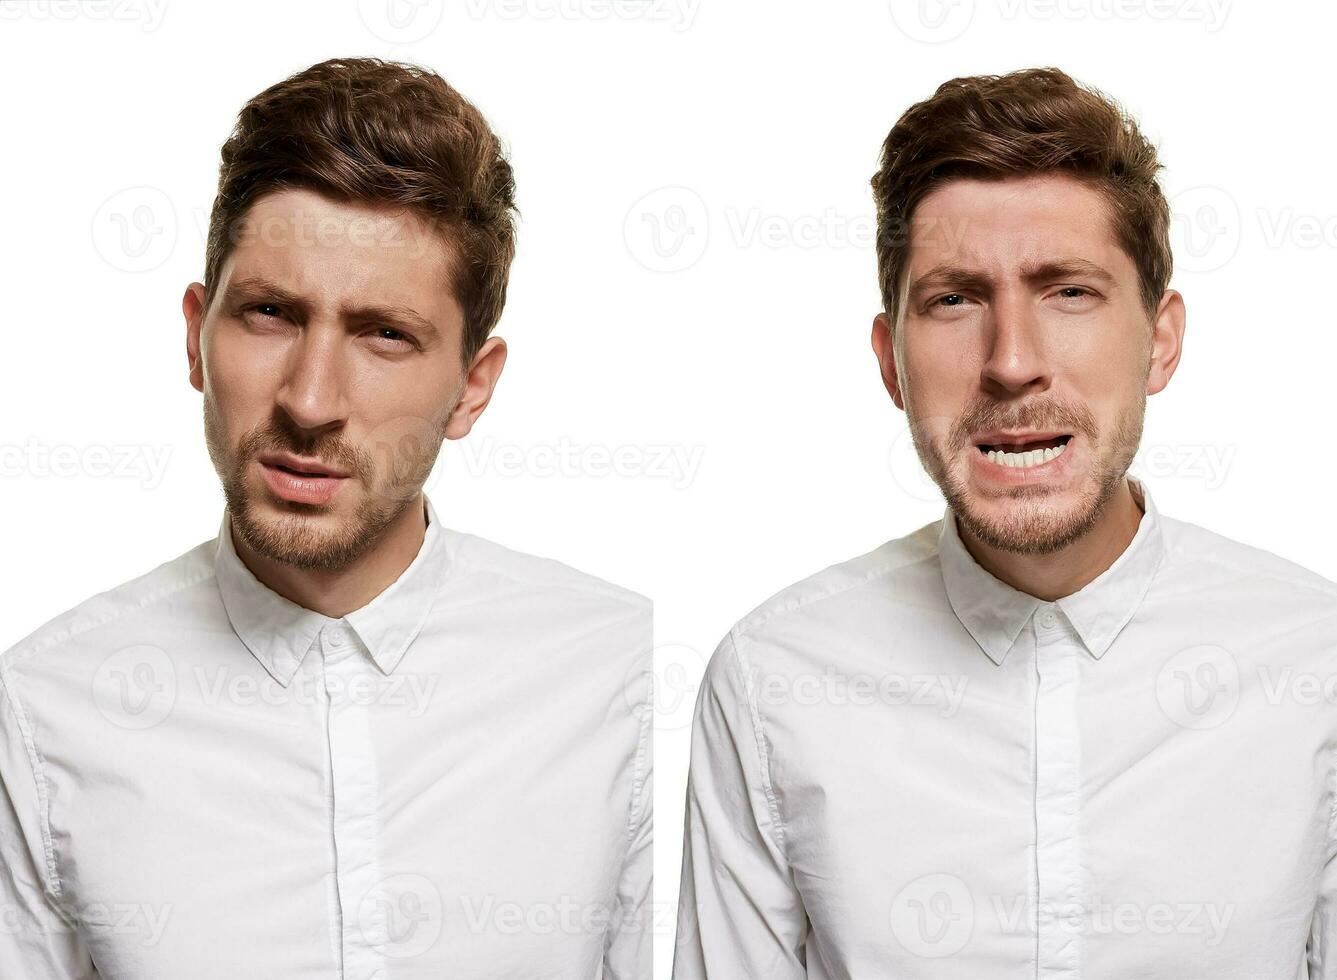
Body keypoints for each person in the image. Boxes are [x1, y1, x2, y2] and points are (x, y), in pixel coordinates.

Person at [673, 67, 1337, 978]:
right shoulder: (771, 685)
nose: (1011, 362)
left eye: (1068, 291)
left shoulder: (1315, 665)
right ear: (889, 359)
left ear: (1162, 339)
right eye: (954, 299)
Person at [0, 57, 651, 979]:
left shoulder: (620, 680)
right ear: (196, 335)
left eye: (385, 333)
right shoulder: (43, 710)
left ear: (473, 387)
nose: (309, 401)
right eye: (269, 314)